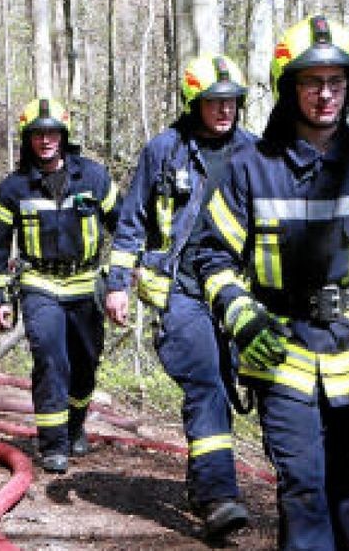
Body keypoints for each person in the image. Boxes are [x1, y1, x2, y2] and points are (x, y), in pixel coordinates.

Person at [193, 14, 349, 550]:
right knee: (302, 489)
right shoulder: (250, 167)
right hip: (280, 352)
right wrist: (241, 313)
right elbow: (211, 254)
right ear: (290, 87)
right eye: (311, 82)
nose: (325, 94)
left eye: (336, 82)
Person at [103, 53, 257, 540]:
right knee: (205, 381)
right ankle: (219, 498)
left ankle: (204, 477)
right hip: (182, 290)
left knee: (232, 383)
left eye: (232, 101)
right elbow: (131, 223)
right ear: (194, 103)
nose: (225, 110)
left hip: (238, 291)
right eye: (214, 102)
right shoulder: (163, 151)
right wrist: (117, 285)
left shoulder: (257, 154)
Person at [0, 98, 120, 474]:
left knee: (85, 365)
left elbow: (124, 228)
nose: (45, 140)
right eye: (38, 133)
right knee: (49, 358)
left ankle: (75, 425)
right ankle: (53, 444)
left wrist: (122, 280)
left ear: (64, 135)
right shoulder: (13, 188)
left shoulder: (94, 178)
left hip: (87, 283)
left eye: (52, 132)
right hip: (39, 283)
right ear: (28, 139)